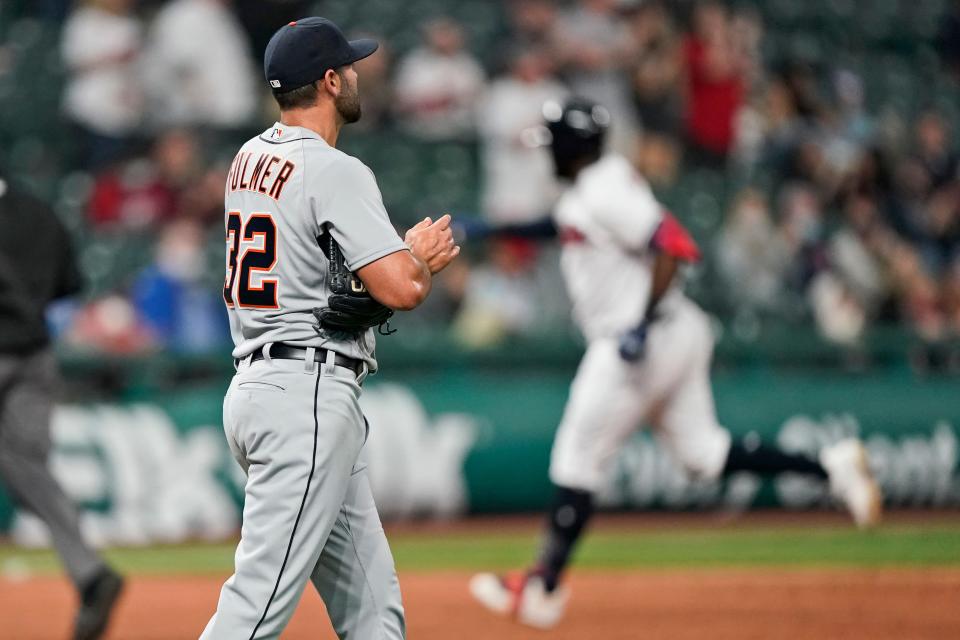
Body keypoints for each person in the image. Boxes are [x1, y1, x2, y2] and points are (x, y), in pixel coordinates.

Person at [468, 99, 883, 630]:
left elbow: (674, 243)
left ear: (571, 148)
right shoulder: (599, 183)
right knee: (703, 456)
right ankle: (831, 467)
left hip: (635, 343)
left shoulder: (604, 190)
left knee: (577, 456)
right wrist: (495, 230)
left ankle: (543, 588)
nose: (547, 154)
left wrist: (641, 320)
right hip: (680, 331)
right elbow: (565, 226)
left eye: (553, 144)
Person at [201, 17, 459, 639]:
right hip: (305, 396)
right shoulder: (335, 170)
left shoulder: (248, 158)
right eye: (351, 66)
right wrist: (414, 253)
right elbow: (402, 288)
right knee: (255, 608)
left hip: (266, 385)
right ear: (329, 79)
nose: (358, 74)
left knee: (372, 609)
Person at [0, 172, 124, 640]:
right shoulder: (39, 212)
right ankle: (90, 572)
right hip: (36, 356)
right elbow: (69, 283)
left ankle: (92, 573)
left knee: (23, 469)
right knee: (26, 466)